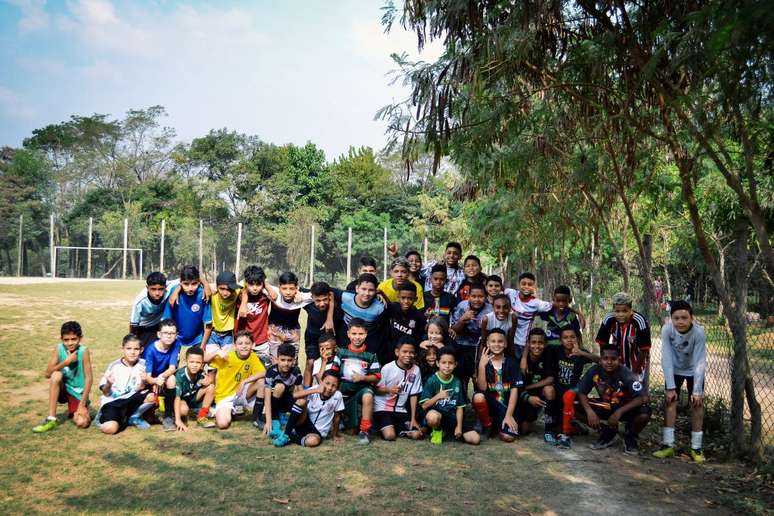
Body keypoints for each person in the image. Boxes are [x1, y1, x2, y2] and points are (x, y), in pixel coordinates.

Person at [653, 300, 707, 463]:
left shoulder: (699, 333)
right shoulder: (667, 329)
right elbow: (667, 357)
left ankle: (696, 447)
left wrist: (697, 391)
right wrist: (670, 387)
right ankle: (668, 445)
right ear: (671, 319)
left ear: (692, 318)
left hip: (693, 369)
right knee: (670, 402)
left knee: (697, 404)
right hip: (674, 369)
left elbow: (699, 361)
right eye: (676, 318)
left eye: (684, 317)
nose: (680, 321)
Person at [577, 344, 652, 455]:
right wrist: (589, 411)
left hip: (625, 408)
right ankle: (608, 432)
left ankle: (630, 436)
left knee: (645, 412)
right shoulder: (595, 371)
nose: (609, 362)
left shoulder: (625, 373)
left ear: (619, 359)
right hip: (606, 406)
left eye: (613, 359)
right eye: (605, 358)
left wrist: (619, 412)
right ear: (600, 359)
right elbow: (581, 392)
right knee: (574, 404)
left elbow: (644, 397)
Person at [33, 321, 93, 433]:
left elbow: (89, 379)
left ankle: (76, 410)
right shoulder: (59, 349)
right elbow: (47, 374)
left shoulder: (84, 351)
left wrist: (81, 405)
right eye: (66, 340)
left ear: (80, 338)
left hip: (77, 393)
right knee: (56, 374)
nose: (70, 343)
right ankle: (51, 419)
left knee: (82, 423)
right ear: (61, 339)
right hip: (63, 388)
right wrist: (65, 362)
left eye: (73, 339)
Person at [420, 346, 480, 445]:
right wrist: (438, 396)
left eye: (450, 363)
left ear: (455, 364)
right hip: (438, 415)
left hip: (452, 417)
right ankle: (437, 430)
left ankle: (449, 430)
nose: (447, 366)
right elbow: (424, 405)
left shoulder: (457, 381)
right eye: (444, 363)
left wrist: (459, 427)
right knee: (433, 417)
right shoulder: (432, 380)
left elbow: (460, 407)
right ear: (438, 363)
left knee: (475, 439)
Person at [550, 327, 599, 449]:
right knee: (555, 429)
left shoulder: (580, 353)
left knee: (569, 395)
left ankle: (566, 436)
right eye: (565, 338)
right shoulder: (556, 351)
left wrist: (581, 353)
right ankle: (575, 428)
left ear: (577, 339)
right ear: (561, 341)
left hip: (575, 390)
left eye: (572, 337)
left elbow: (600, 361)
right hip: (559, 389)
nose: (569, 340)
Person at [95, 334, 153, 434]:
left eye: (136, 349)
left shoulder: (144, 364)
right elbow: (106, 393)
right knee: (111, 429)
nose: (132, 352)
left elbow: (140, 388)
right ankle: (109, 417)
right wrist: (108, 383)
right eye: (128, 348)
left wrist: (144, 381)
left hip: (131, 399)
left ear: (141, 350)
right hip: (114, 402)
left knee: (152, 396)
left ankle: (133, 416)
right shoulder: (114, 366)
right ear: (122, 349)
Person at [210, 330, 266, 430]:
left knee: (261, 382)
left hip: (242, 393)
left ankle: (256, 418)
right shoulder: (228, 356)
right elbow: (204, 359)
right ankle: (222, 411)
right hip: (225, 396)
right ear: (234, 346)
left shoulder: (253, 357)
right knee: (223, 424)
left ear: (253, 345)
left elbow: (263, 373)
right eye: (240, 343)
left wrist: (245, 381)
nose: (244, 346)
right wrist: (217, 352)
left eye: (247, 343)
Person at [472, 329, 522, 442]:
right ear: (488, 344)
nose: (496, 344)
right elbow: (482, 388)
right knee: (478, 397)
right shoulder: (484, 361)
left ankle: (501, 423)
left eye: (500, 341)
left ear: (505, 344)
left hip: (506, 407)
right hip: (490, 405)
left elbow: (515, 391)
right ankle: (487, 424)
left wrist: (509, 415)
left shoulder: (512, 363)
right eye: (493, 341)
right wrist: (481, 366)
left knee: (508, 437)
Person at [337, 318, 381, 444]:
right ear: (348, 334)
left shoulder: (371, 355)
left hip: (361, 390)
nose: (357, 337)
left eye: (361, 334)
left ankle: (365, 431)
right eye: (354, 334)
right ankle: (342, 422)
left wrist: (363, 378)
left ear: (366, 334)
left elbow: (377, 376)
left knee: (368, 396)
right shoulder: (341, 353)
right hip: (344, 392)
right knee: (350, 432)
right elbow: (334, 372)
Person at [278, 370, 345, 447]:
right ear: (322, 382)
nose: (330, 388)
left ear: (337, 387)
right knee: (301, 401)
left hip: (317, 432)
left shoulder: (337, 396)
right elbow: (294, 396)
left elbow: (337, 416)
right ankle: (286, 434)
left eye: (334, 386)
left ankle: (291, 436)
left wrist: (334, 435)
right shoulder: (316, 388)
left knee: (313, 441)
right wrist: (315, 390)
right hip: (304, 422)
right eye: (327, 383)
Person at [594, 292, 651, 384]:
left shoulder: (639, 321)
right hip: (616, 363)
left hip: (636, 364)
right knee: (615, 393)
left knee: (635, 391)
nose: (620, 314)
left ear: (631, 310)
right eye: (617, 311)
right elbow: (602, 343)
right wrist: (605, 363)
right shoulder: (609, 319)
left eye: (625, 311)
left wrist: (634, 373)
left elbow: (644, 350)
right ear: (613, 310)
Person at [373, 338, 424, 441]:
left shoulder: (416, 370)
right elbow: (375, 389)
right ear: (397, 352)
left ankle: (399, 428)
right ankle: (381, 425)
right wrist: (389, 390)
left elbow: (414, 395)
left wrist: (413, 418)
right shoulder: (388, 368)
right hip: (383, 408)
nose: (408, 355)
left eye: (411, 352)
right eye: (404, 351)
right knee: (390, 436)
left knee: (417, 435)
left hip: (401, 410)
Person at [516, 329, 556, 442]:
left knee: (549, 390)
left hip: (538, 393)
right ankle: (529, 417)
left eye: (540, 343)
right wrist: (528, 397)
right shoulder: (522, 361)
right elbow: (516, 388)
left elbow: (550, 379)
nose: (537, 346)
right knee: (523, 431)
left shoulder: (548, 354)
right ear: (528, 344)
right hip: (524, 397)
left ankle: (548, 430)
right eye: (533, 342)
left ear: (545, 344)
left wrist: (529, 387)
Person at [450, 282, 492, 391]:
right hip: (461, 345)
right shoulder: (462, 306)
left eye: (480, 296)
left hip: (480, 346)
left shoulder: (490, 310)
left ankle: (479, 398)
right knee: (460, 375)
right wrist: (463, 319)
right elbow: (453, 330)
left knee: (478, 374)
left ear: (486, 297)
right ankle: (461, 399)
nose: (477, 300)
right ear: (468, 296)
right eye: (473, 296)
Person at [142, 319, 182, 431]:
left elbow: (172, 368)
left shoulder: (176, 344)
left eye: (172, 333)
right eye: (165, 333)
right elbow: (148, 377)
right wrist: (155, 381)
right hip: (150, 381)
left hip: (163, 378)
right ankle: (146, 410)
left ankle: (168, 416)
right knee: (149, 418)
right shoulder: (151, 349)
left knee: (172, 379)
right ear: (159, 334)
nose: (169, 336)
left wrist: (162, 377)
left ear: (176, 335)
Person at [332, 273, 387, 355]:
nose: (367, 293)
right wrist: (329, 318)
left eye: (371, 290)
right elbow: (327, 291)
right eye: (363, 289)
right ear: (357, 288)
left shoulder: (380, 308)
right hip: (346, 335)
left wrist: (382, 294)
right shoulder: (345, 297)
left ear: (376, 291)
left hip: (367, 339)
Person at [266, 272, 315, 360]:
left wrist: (300, 292)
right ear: (279, 287)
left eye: (292, 288)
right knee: (275, 362)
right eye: (284, 288)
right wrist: (268, 287)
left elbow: (327, 292)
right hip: (274, 333)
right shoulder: (273, 293)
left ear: (297, 288)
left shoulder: (302, 298)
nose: (288, 292)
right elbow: (253, 280)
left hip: (293, 334)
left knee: (292, 362)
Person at [162, 265, 212, 349]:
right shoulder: (174, 292)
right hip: (176, 338)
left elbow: (208, 324)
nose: (190, 288)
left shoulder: (203, 294)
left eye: (194, 284)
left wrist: (203, 346)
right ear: (180, 282)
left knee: (196, 361)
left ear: (199, 282)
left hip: (197, 339)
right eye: (186, 284)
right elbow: (167, 320)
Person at [264, 344, 304, 445]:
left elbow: (301, 392)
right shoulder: (271, 372)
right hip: (275, 401)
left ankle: (288, 419)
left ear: (294, 360)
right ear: (277, 359)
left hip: (288, 399)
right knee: (279, 387)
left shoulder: (296, 371)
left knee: (300, 399)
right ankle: (275, 419)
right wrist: (268, 421)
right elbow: (267, 398)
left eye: (289, 360)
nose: (286, 363)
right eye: (283, 360)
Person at [505, 272, 553, 359]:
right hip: (506, 340)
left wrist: (577, 312)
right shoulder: (510, 293)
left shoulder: (537, 303)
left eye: (530, 284)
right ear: (518, 284)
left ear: (534, 287)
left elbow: (558, 305)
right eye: (523, 284)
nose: (526, 286)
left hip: (522, 344)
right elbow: (493, 286)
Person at [236, 265, 273, 367]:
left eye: (258, 284)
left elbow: (274, 295)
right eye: (251, 284)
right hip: (243, 340)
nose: (255, 288)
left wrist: (265, 282)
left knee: (263, 370)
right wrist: (244, 297)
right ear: (246, 283)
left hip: (262, 340)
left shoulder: (265, 296)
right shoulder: (238, 294)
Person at [172, 346, 216, 431]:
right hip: (182, 400)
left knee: (211, 387)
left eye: (198, 362)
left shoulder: (201, 373)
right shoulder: (179, 375)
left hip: (194, 398)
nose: (194, 365)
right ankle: (177, 416)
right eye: (191, 362)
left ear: (202, 364)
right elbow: (177, 398)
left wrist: (209, 380)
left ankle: (202, 416)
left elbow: (209, 379)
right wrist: (178, 420)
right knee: (183, 410)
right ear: (186, 361)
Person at [202, 271, 242, 362]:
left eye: (229, 289)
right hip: (213, 334)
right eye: (222, 288)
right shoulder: (213, 293)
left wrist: (243, 303)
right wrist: (205, 284)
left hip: (228, 335)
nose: (225, 293)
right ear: (217, 287)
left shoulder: (236, 291)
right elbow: (196, 276)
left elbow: (247, 284)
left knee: (227, 362)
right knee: (212, 364)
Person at [302, 282, 338, 379]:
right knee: (310, 363)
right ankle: (307, 391)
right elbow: (293, 289)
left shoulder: (336, 303)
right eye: (318, 300)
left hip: (330, 339)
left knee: (332, 364)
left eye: (325, 299)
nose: (322, 303)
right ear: (312, 297)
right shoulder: (308, 303)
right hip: (312, 338)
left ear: (329, 297)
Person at [384, 282, 427, 364]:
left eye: (410, 298)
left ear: (416, 299)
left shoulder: (419, 317)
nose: (406, 301)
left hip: (407, 357)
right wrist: (380, 293)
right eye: (403, 298)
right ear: (398, 297)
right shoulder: (392, 308)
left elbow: (419, 339)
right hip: (389, 354)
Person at [129, 271, 172, 347]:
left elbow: (187, 279)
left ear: (165, 287)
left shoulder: (170, 286)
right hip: (145, 328)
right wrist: (133, 342)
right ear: (147, 288)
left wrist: (176, 291)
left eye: (160, 289)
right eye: (153, 289)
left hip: (160, 325)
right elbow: (133, 325)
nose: (157, 293)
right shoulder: (140, 302)